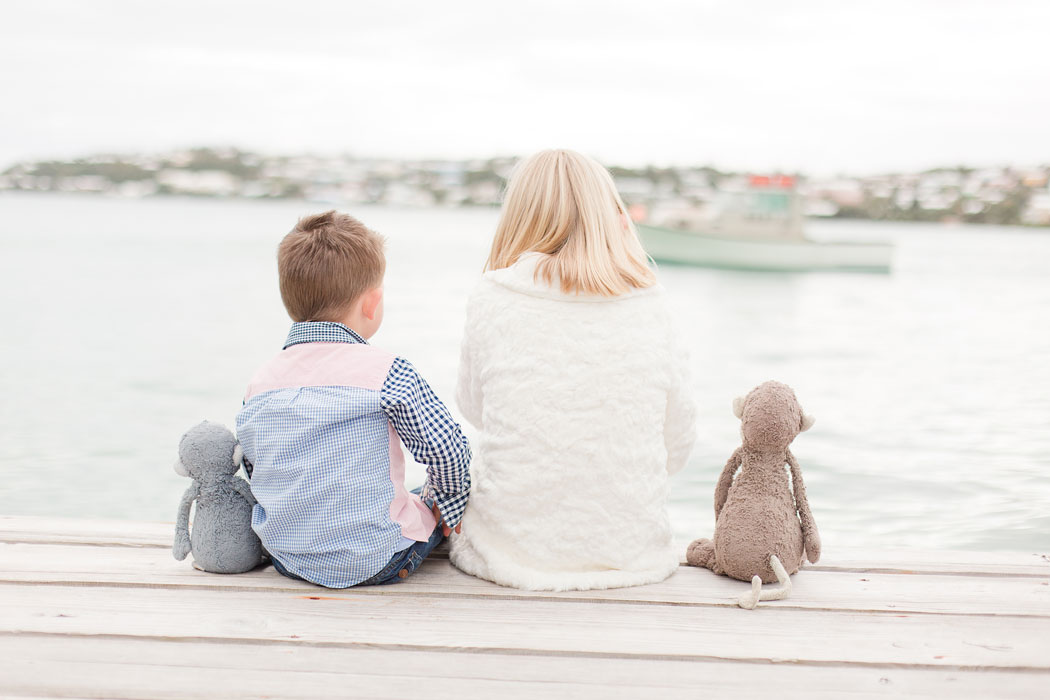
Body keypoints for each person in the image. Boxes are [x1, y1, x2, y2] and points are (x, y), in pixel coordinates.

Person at [449, 149, 697, 591]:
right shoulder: (651, 303)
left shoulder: (491, 295)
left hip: (510, 555)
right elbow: (677, 445)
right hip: (631, 554)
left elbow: (475, 410)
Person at [236, 211, 471, 588]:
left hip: (288, 557)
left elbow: (257, 467)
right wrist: (449, 500)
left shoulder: (261, 382)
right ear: (372, 303)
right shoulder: (388, 372)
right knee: (429, 496)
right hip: (378, 559)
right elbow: (448, 451)